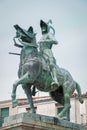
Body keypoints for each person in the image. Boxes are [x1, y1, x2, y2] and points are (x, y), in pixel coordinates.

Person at [38, 19, 61, 88]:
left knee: (51, 64)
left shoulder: (49, 34)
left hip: (47, 51)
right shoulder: (42, 36)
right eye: (42, 27)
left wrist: (46, 40)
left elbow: (55, 41)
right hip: (41, 53)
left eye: (44, 26)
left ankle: (55, 79)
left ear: (47, 28)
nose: (43, 28)